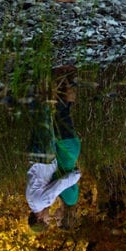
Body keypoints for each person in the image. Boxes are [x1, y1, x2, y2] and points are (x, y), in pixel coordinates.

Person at [25, 67, 81, 231]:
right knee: (42, 115)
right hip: (36, 156)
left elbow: (60, 184)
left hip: (45, 156)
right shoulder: (31, 200)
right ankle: (36, 78)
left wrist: (76, 176)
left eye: (48, 221)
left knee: (46, 112)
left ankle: (42, 75)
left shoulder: (43, 202)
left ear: (39, 218)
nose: (50, 218)